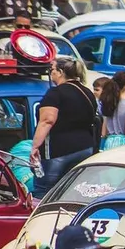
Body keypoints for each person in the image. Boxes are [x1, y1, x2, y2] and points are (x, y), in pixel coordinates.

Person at [30, 56, 97, 198]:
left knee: (44, 191)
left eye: (52, 69)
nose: (51, 73)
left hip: (58, 150)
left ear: (60, 72)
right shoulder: (87, 92)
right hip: (85, 147)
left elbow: (47, 120)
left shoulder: (56, 93)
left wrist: (35, 147)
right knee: (75, 190)